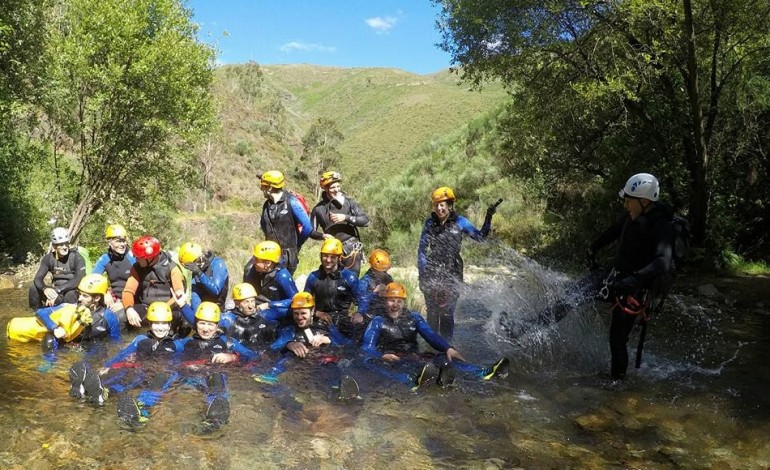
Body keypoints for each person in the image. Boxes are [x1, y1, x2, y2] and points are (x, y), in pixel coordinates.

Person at [588, 173, 675, 381]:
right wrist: (592, 248)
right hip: (614, 276)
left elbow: (663, 261)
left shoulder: (663, 226)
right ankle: (525, 328)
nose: (626, 205)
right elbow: (613, 232)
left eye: (629, 200)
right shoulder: (631, 216)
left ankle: (615, 385)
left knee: (617, 339)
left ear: (644, 201)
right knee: (571, 295)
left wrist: (635, 279)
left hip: (635, 287)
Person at [361, 282, 509, 390]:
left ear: (404, 303)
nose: (395, 305)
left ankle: (482, 373)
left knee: (444, 357)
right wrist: (380, 356)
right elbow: (366, 348)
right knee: (369, 362)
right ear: (385, 301)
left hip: (413, 355)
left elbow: (431, 336)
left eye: (399, 301)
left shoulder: (414, 318)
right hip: (392, 359)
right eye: (391, 300)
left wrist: (448, 348)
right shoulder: (377, 322)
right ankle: (410, 381)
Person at [417, 187, 499, 339]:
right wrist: (422, 275)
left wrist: (488, 217)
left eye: (442, 204)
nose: (439, 208)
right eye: (436, 205)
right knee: (433, 313)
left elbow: (480, 238)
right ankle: (432, 346)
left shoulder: (461, 222)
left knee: (447, 312)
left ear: (449, 205)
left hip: (453, 270)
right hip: (432, 270)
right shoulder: (429, 223)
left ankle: (447, 347)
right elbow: (422, 250)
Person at [70, 302, 179, 413]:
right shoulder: (141, 339)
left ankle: (143, 409)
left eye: (164, 324)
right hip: (140, 369)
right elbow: (124, 353)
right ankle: (98, 391)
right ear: (150, 324)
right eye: (156, 323)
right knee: (125, 376)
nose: (160, 328)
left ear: (169, 325)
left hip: (160, 373)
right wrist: (108, 365)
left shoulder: (176, 345)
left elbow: (181, 361)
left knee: (159, 380)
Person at [253, 292, 356, 398]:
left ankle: (337, 386)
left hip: (323, 362)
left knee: (334, 364)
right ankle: (271, 376)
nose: (299, 317)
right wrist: (289, 344)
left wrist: (328, 339)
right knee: (288, 357)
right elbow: (272, 348)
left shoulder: (325, 326)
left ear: (312, 311)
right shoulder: (290, 330)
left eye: (303, 313)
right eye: (296, 313)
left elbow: (347, 344)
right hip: (302, 366)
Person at [8, 273, 121, 350]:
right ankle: (48, 365)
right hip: (68, 346)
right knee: (50, 338)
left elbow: (115, 343)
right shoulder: (69, 307)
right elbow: (40, 313)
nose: (80, 298)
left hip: (93, 350)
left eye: (85, 296)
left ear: (96, 298)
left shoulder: (109, 317)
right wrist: (55, 328)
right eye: (79, 294)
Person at [178, 283, 282, 350]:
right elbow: (201, 321)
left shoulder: (265, 315)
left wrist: (269, 304)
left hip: (259, 353)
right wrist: (183, 306)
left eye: (252, 301)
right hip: (238, 354)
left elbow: (291, 308)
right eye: (246, 302)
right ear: (237, 303)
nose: (251, 306)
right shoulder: (228, 319)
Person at [121, 235, 187, 333]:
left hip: (169, 308)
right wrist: (129, 309)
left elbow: (179, 294)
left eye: (139, 257)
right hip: (146, 307)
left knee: (185, 321)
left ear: (150, 257)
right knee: (121, 316)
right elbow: (128, 291)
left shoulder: (172, 268)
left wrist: (163, 309)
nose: (136, 259)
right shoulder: (136, 267)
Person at [309, 171, 370, 275]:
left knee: (351, 282)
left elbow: (365, 221)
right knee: (332, 282)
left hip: (351, 249)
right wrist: (323, 235)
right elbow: (310, 231)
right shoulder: (318, 209)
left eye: (338, 186)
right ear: (325, 188)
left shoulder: (349, 203)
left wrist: (345, 217)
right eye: (333, 187)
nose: (336, 190)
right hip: (331, 251)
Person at [304, 238, 363, 339]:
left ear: (339, 258)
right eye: (325, 256)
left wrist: (359, 313)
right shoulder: (313, 277)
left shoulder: (350, 277)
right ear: (321, 256)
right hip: (320, 320)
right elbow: (304, 303)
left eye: (332, 257)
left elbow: (362, 299)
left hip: (343, 321)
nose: (328, 260)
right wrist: (317, 313)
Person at [259, 170, 313, 274]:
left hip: (287, 257)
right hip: (269, 254)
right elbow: (264, 226)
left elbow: (307, 227)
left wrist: (297, 244)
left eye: (263, 186)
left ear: (270, 188)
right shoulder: (266, 205)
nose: (261, 189)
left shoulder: (291, 202)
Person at [28, 227, 86, 309]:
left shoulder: (77, 257)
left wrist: (57, 290)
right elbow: (38, 278)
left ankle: (69, 315)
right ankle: (36, 313)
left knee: (71, 294)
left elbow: (79, 278)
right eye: (61, 244)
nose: (65, 247)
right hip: (55, 291)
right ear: (54, 245)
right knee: (34, 288)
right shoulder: (48, 258)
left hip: (71, 292)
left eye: (66, 243)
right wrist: (45, 289)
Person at [242, 240, 299, 321]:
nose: (253, 262)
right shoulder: (253, 270)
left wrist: (269, 305)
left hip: (276, 309)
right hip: (258, 306)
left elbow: (295, 300)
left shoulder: (282, 276)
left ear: (268, 263)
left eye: (257, 260)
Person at [91, 224, 136, 327]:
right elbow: (93, 277)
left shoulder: (132, 257)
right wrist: (105, 292)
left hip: (132, 298)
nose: (122, 244)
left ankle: (120, 342)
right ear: (109, 242)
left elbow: (142, 284)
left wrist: (123, 303)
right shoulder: (105, 258)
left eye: (124, 241)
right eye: (118, 241)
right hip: (114, 298)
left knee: (118, 317)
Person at [178, 241, 229, 311]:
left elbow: (216, 290)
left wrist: (200, 273)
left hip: (217, 310)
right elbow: (195, 295)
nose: (195, 266)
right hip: (202, 311)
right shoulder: (196, 270)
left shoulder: (218, 264)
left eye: (195, 263)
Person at [356, 248, 394, 323]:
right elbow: (360, 300)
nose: (384, 273)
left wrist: (387, 291)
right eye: (382, 271)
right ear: (373, 269)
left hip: (386, 312)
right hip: (369, 315)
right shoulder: (364, 281)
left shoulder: (388, 278)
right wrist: (375, 293)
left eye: (385, 271)